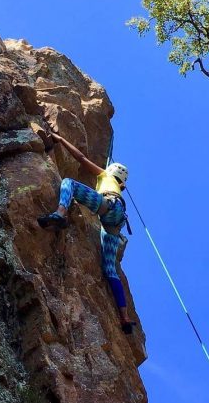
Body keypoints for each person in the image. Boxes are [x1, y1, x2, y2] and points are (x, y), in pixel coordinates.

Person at [38, 132, 136, 334]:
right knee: (110, 270)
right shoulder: (119, 185)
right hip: (116, 222)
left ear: (111, 171)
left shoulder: (106, 175)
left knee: (69, 183)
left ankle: (60, 213)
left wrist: (61, 139)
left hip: (107, 206)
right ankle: (124, 317)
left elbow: (81, 158)